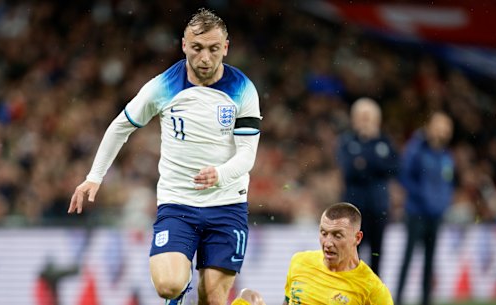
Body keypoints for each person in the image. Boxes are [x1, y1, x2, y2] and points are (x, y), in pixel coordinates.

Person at [68, 8, 261, 305]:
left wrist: (220, 174)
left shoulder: (243, 89)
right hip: (178, 203)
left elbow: (248, 155)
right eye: (196, 48)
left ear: (225, 48)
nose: (205, 58)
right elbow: (121, 126)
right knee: (168, 285)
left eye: (213, 49)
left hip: (227, 204)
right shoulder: (163, 85)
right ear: (184, 45)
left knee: (212, 298)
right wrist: (94, 177)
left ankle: (243, 300)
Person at [395, 112, 454, 305]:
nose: (443, 130)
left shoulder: (445, 154)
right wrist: (423, 197)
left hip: (436, 215)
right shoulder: (416, 149)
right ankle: (398, 299)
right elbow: (404, 176)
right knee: (408, 258)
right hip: (416, 213)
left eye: (446, 126)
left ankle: (426, 300)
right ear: (429, 126)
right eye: (440, 125)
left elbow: (448, 182)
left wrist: (443, 202)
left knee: (430, 261)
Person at [283, 202, 394, 305]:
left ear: (357, 238)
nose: (328, 243)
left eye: (337, 236)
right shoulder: (299, 262)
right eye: (324, 233)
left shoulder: (373, 289)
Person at [336, 97, 398, 276]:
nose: (365, 121)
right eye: (362, 117)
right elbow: (348, 170)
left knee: (377, 254)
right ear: (353, 119)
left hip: (379, 208)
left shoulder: (385, 142)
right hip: (353, 211)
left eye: (368, 117)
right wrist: (376, 164)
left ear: (377, 120)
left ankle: (373, 297)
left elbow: (394, 167)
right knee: (350, 255)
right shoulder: (346, 142)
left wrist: (364, 162)